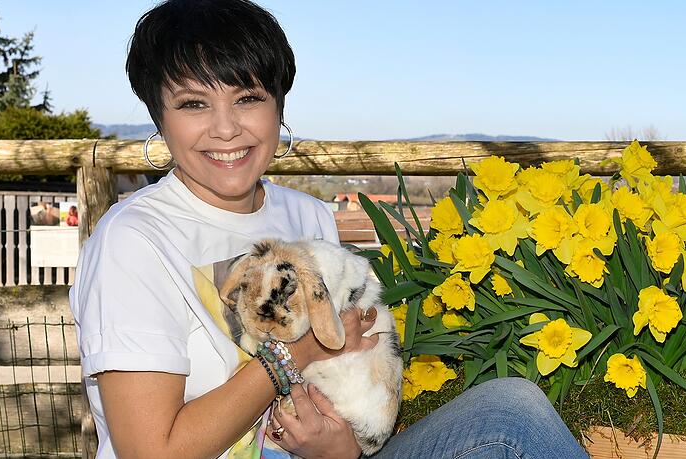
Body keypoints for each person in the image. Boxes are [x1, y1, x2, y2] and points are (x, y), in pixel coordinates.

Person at [68, 1, 589, 458]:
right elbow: (150, 452)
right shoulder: (133, 241)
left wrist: (340, 447)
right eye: (193, 104)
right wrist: (294, 354)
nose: (225, 128)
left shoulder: (306, 217)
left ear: (278, 106)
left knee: (508, 413)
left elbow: (339, 378)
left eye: (248, 98)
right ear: (159, 117)